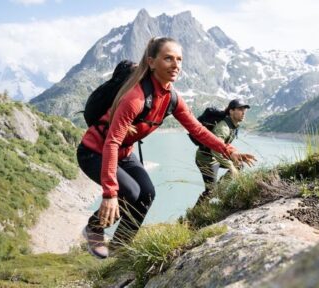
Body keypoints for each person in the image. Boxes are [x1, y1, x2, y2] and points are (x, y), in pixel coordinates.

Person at [77, 37, 256, 259]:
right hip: (94, 151)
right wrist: (109, 193)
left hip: (124, 153)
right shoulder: (135, 98)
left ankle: (120, 250)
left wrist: (230, 150)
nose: (176, 64)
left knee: (147, 193)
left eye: (179, 59)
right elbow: (111, 142)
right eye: (168, 58)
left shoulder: (171, 98)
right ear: (151, 62)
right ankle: (94, 227)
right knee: (130, 192)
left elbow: (198, 130)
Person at [194, 99, 251, 205]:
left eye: (244, 110)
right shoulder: (224, 128)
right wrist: (230, 166)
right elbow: (215, 148)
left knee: (239, 165)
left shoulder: (233, 125)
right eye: (240, 109)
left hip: (215, 156)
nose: (243, 112)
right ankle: (192, 217)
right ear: (231, 111)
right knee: (210, 191)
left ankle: (220, 191)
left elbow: (224, 144)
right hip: (206, 159)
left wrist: (235, 153)